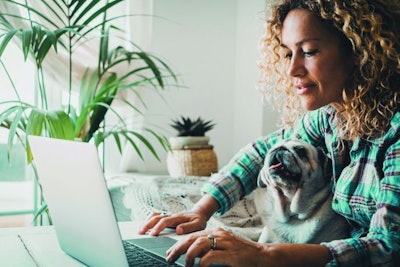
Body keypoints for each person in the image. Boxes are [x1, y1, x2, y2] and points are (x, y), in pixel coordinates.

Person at [139, 0, 400, 266]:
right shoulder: (330, 117)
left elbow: (387, 248)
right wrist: (201, 210)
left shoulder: (395, 133)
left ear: (358, 50)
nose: (292, 70)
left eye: (309, 51)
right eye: (288, 54)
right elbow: (261, 152)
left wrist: (263, 254)